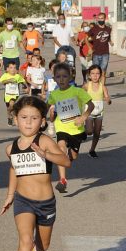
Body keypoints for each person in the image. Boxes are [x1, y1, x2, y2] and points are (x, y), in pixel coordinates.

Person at [0, 96, 71, 251]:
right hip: (23, 202)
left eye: (34, 118)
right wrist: (10, 196)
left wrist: (46, 154)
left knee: (42, 244)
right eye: (24, 117)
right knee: (25, 239)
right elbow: (14, 169)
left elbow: (65, 161)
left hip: (46, 203)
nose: (28, 122)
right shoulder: (10, 148)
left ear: (42, 121)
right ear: (15, 120)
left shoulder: (45, 141)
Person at [47, 63, 94, 193]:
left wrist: (83, 117)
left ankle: (69, 156)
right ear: (54, 78)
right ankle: (62, 180)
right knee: (60, 149)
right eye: (58, 76)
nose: (61, 79)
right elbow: (46, 107)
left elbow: (91, 106)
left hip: (76, 129)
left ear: (71, 77)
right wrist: (46, 115)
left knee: (73, 157)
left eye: (64, 76)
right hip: (61, 127)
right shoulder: (54, 94)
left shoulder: (77, 91)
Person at [84, 65, 111, 158]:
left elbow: (107, 96)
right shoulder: (87, 85)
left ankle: (92, 150)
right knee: (89, 131)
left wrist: (108, 100)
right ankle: (85, 129)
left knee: (97, 132)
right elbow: (80, 94)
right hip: (89, 112)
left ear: (100, 75)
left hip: (99, 112)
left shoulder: (102, 87)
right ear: (89, 75)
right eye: (93, 73)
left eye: (97, 74)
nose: (95, 76)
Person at [0, 61, 27, 126]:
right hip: (7, 94)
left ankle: (14, 116)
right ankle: (9, 117)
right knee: (8, 107)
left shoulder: (17, 76)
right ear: (7, 69)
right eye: (11, 68)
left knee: (12, 105)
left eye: (14, 68)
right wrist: (8, 80)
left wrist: (24, 85)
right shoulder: (5, 75)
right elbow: (2, 81)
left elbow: (22, 81)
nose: (13, 69)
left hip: (15, 94)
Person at [88, 12, 113, 81]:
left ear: (105, 19)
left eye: (101, 18)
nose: (100, 20)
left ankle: (102, 88)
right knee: (95, 72)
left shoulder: (108, 29)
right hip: (96, 53)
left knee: (103, 72)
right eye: (99, 18)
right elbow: (86, 38)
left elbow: (108, 37)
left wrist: (110, 42)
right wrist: (90, 48)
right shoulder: (94, 29)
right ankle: (95, 87)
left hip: (105, 53)